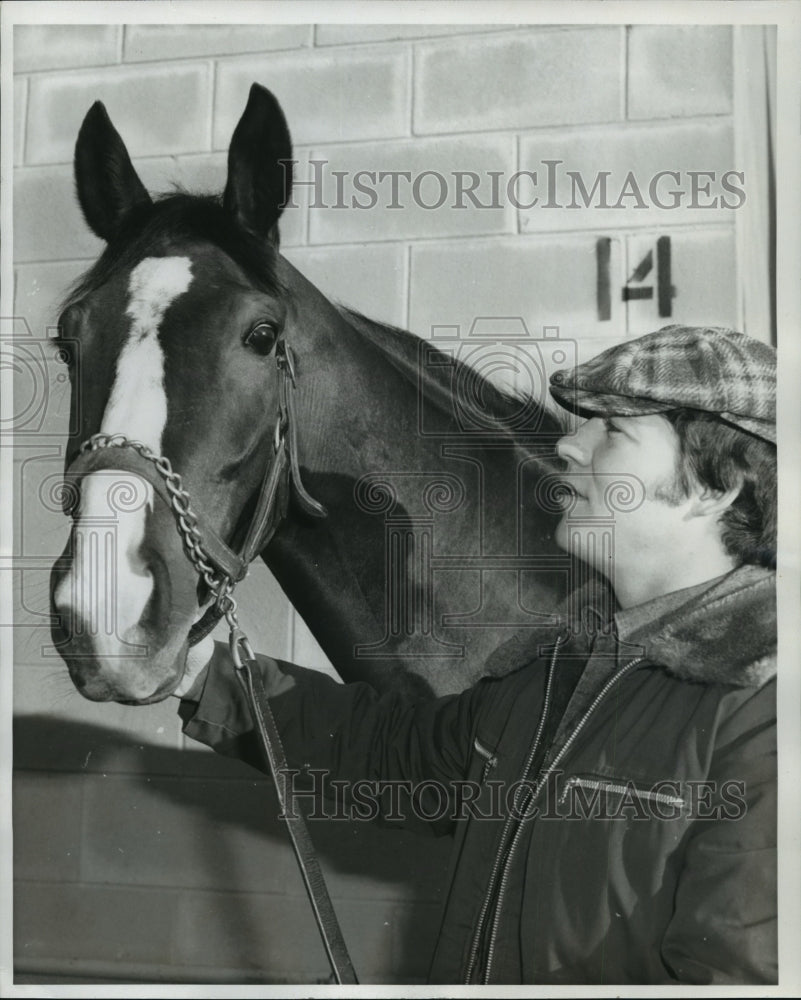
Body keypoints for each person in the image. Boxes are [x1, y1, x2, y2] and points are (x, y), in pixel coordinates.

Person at [174, 325, 777, 985]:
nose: (568, 445)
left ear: (714, 488)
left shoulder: (765, 710)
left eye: (612, 432)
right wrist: (198, 673)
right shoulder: (561, 667)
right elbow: (394, 755)